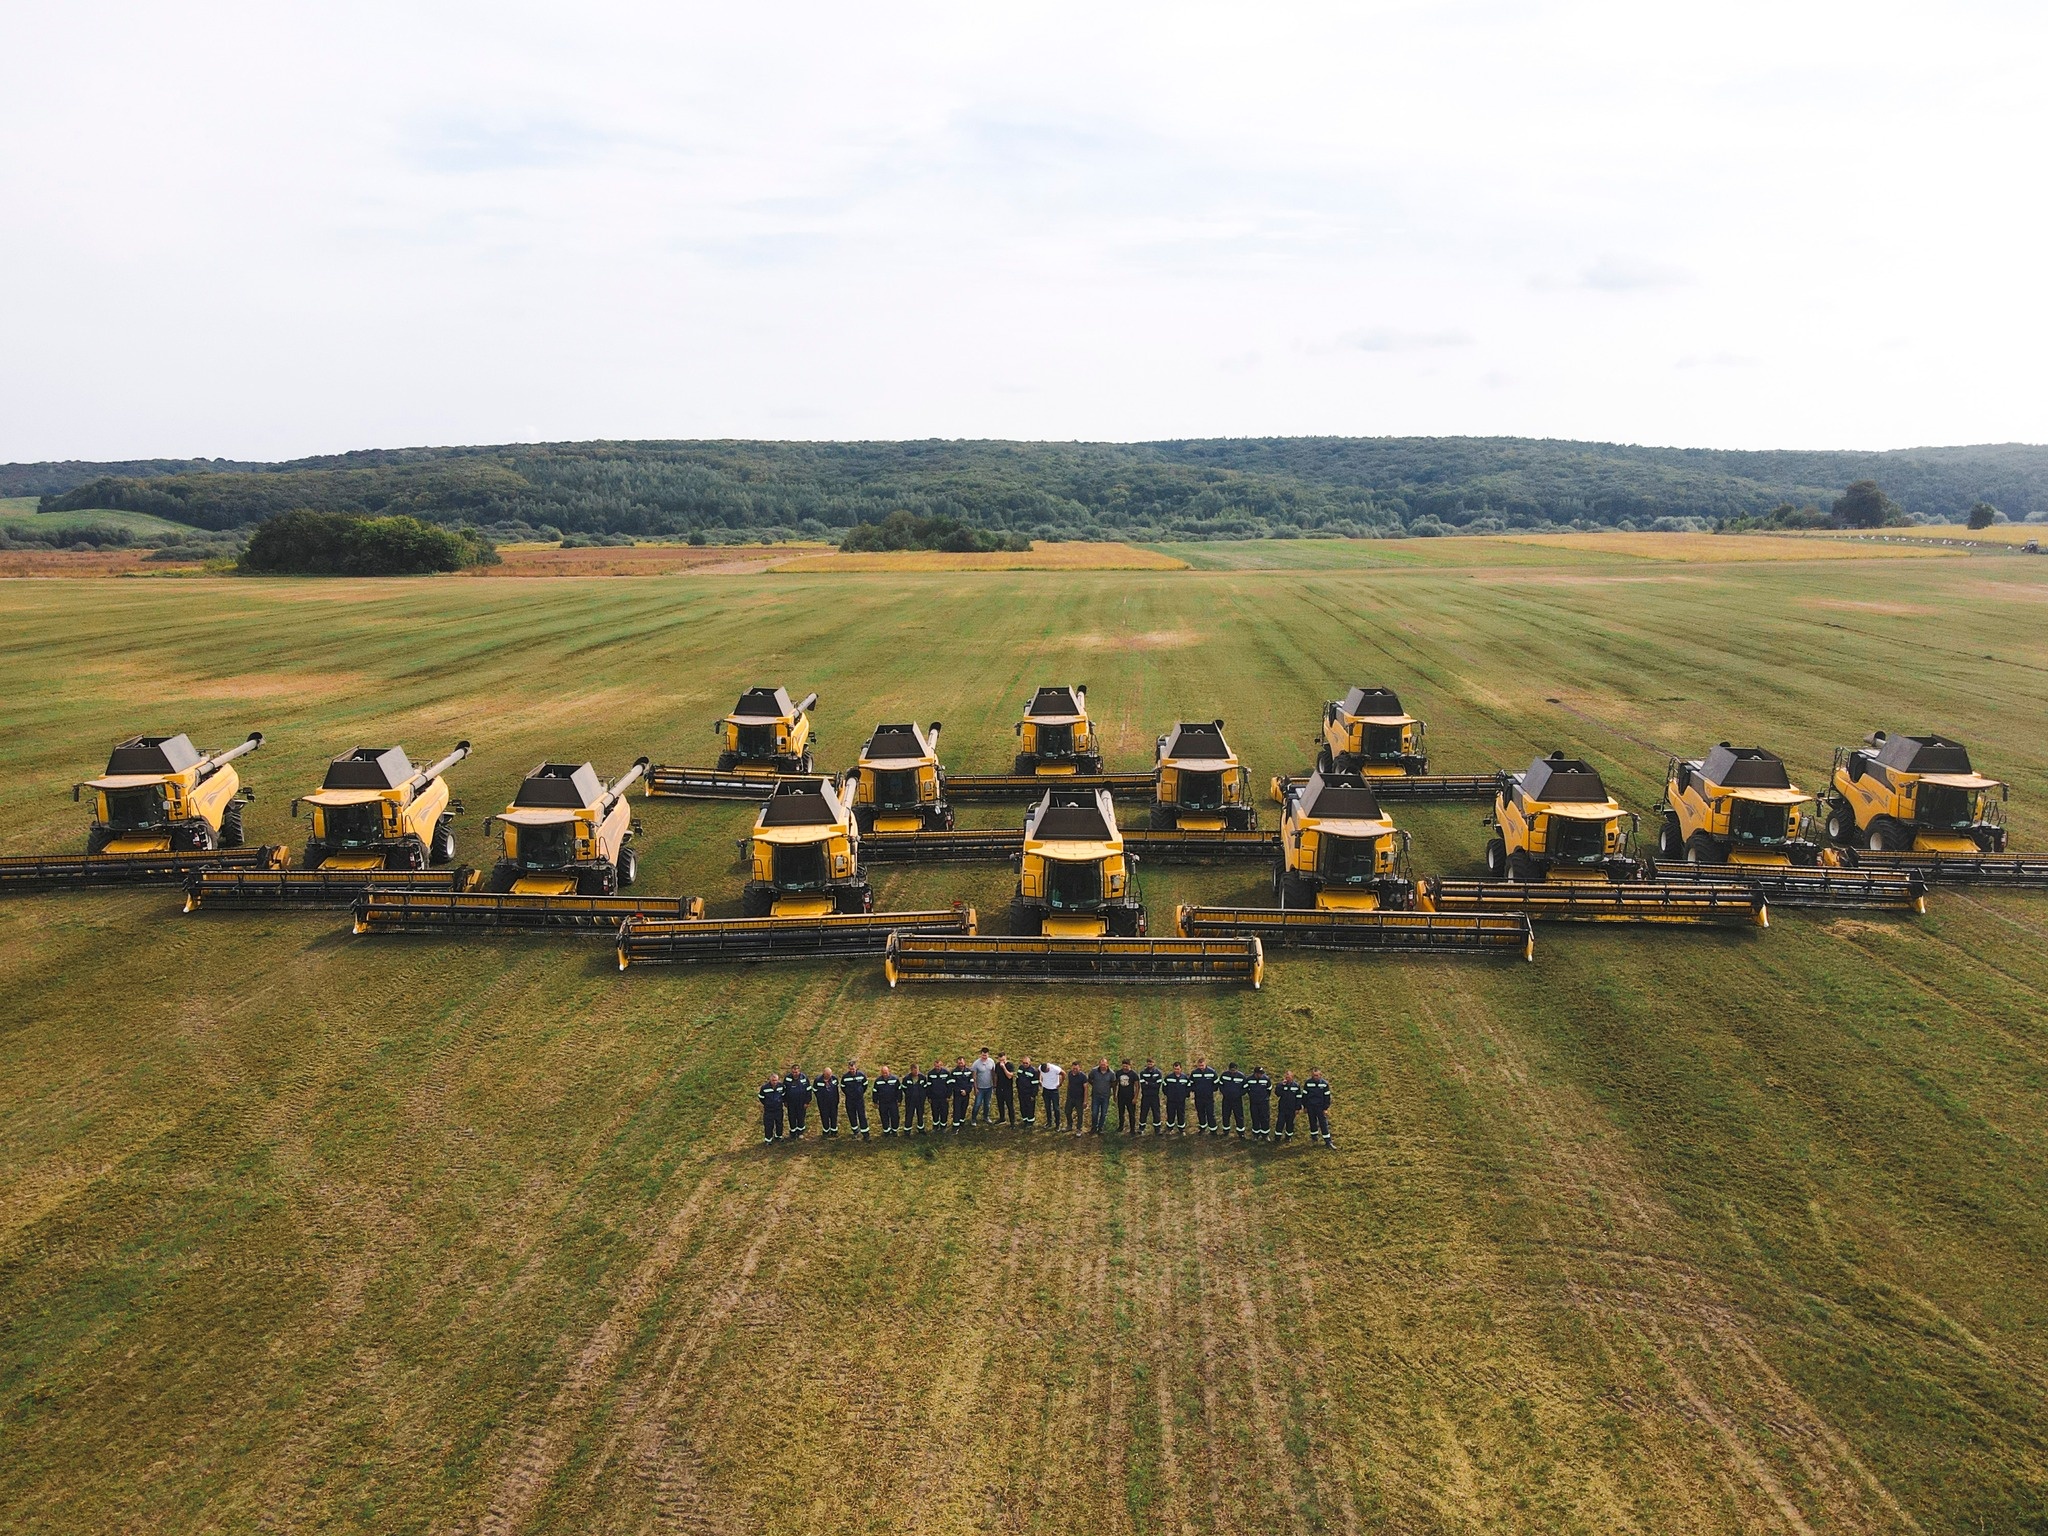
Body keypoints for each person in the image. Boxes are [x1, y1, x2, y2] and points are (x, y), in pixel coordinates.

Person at [1189, 1057, 1220, 1135]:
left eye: (1202, 1065)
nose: (1201, 1067)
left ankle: (1213, 1130)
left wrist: (1210, 1090)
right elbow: (1191, 1084)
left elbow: (1216, 1083)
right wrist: (1195, 1090)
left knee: (1210, 1114)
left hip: (1208, 1098)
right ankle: (1202, 1128)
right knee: (1200, 1113)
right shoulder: (1194, 1073)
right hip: (1198, 1098)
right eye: (1199, 1066)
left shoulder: (1212, 1072)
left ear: (1205, 1064)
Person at [1303, 1068, 1333, 1148]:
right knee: (1312, 1122)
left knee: (1323, 1124)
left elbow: (1327, 1097)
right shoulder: (1308, 1083)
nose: (1315, 1077)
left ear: (1320, 1075)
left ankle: (1328, 1141)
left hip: (1320, 1107)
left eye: (1317, 1075)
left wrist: (1325, 1108)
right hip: (1311, 1107)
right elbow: (1305, 1096)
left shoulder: (1324, 1084)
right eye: (1314, 1075)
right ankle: (1314, 1137)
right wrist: (1305, 1106)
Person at [1219, 1062, 1248, 1138]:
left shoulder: (1241, 1077)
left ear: (1237, 1069)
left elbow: (1245, 1088)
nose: (1233, 1072)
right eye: (1231, 1070)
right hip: (1226, 1100)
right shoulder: (1224, 1075)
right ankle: (1226, 1131)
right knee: (1225, 1115)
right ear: (1229, 1069)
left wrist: (1238, 1094)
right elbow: (1220, 1085)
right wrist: (1225, 1093)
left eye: (1234, 1070)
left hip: (1237, 1100)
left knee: (1239, 1116)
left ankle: (1241, 1133)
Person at [842, 1060, 870, 1140]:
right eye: (850, 1069)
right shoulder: (845, 1077)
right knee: (852, 1115)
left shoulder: (861, 1075)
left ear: (856, 1068)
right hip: (850, 1100)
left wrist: (860, 1092)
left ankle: (865, 1134)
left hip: (859, 1100)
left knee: (862, 1115)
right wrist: (849, 1094)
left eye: (853, 1069)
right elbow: (843, 1087)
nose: (852, 1071)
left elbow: (865, 1085)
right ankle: (855, 1131)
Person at [782, 1064, 811, 1139]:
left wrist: (807, 1102)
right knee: (791, 1117)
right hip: (791, 1102)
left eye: (796, 1072)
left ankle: (800, 1132)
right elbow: (783, 1090)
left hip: (801, 1102)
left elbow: (808, 1090)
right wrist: (784, 1101)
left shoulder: (804, 1078)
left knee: (801, 1117)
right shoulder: (787, 1078)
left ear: (799, 1071)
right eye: (793, 1072)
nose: (794, 1074)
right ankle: (793, 1133)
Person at [1163, 1062, 1191, 1134]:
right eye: (1175, 1069)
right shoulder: (1169, 1077)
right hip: (1171, 1100)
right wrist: (1168, 1094)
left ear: (1181, 1069)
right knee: (1170, 1114)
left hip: (1181, 1101)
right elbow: (1164, 1086)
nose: (1176, 1070)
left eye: (1178, 1069)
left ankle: (1181, 1129)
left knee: (1181, 1114)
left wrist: (1184, 1095)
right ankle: (1169, 1128)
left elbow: (1188, 1087)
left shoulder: (1185, 1078)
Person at [1246, 1066, 1272, 1142]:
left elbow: (1269, 1089)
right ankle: (1256, 1135)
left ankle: (1265, 1135)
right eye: (1259, 1073)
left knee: (1265, 1118)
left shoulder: (1266, 1079)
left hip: (1264, 1103)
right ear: (1255, 1073)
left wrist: (1265, 1098)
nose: (1260, 1075)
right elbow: (1247, 1090)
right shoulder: (1249, 1080)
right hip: (1254, 1103)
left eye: (1261, 1073)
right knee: (1255, 1118)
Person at [1089, 1059, 1114, 1136]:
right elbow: (1089, 1079)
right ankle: (1094, 1127)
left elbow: (1113, 1083)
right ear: (1099, 1064)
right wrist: (1095, 1085)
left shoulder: (1111, 1073)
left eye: (1104, 1064)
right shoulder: (1094, 1071)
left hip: (1105, 1096)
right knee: (1094, 1113)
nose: (1103, 1066)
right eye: (1101, 1064)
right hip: (1096, 1096)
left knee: (1103, 1113)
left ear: (1107, 1064)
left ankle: (1100, 1128)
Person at [1138, 1058, 1163, 1134]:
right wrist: (1152, 1084)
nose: (1150, 1065)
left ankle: (1157, 1129)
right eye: (1148, 1063)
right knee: (1143, 1112)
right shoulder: (1142, 1073)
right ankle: (1141, 1128)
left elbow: (1158, 1085)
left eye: (1151, 1063)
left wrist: (1148, 1083)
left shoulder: (1158, 1073)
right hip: (1146, 1096)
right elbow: (1143, 1085)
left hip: (1155, 1096)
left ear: (1154, 1063)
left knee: (1156, 1112)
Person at [875, 1065, 902, 1136]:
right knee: (884, 1116)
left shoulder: (895, 1079)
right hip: (882, 1102)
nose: (885, 1074)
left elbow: (899, 1090)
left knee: (895, 1116)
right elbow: (875, 1091)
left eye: (886, 1072)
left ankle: (894, 1130)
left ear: (889, 1071)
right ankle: (886, 1131)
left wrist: (899, 1100)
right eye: (883, 1073)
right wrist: (875, 1101)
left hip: (893, 1102)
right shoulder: (878, 1081)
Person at [1275, 1071, 1302, 1142]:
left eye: (1289, 1077)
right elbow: (1277, 1093)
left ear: (1292, 1077)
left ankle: (1288, 1137)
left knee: (1290, 1123)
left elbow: (1299, 1097)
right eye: (1286, 1077)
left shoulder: (1296, 1086)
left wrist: (1298, 1108)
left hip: (1292, 1109)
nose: (1287, 1079)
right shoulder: (1282, 1085)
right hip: (1283, 1108)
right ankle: (1277, 1137)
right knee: (1280, 1123)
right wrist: (1281, 1085)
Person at [1114, 1058, 1138, 1134]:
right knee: (1121, 1113)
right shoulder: (1118, 1073)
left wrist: (1135, 1098)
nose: (1125, 1068)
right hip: (1121, 1096)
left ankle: (1132, 1129)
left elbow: (1137, 1086)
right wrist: (1114, 1095)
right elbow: (1115, 1084)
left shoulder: (1133, 1074)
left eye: (1126, 1066)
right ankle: (1121, 1127)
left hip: (1130, 1097)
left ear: (1130, 1065)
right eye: (1123, 1066)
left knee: (1131, 1114)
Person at [814, 1067, 841, 1137]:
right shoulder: (818, 1080)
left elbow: (836, 1089)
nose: (829, 1076)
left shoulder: (834, 1079)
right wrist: (820, 1098)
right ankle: (826, 1131)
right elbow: (815, 1090)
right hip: (823, 1103)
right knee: (824, 1116)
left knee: (833, 1116)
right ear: (824, 1074)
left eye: (830, 1074)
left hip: (833, 1102)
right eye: (828, 1075)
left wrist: (837, 1100)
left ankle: (834, 1131)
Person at [972, 1049, 996, 1125]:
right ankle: (973, 1119)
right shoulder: (976, 1063)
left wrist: (994, 1084)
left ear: (988, 1054)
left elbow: (993, 1074)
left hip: (989, 1087)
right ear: (981, 1054)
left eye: (985, 1055)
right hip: (980, 1088)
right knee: (977, 1104)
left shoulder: (991, 1062)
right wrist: (975, 1088)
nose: (984, 1057)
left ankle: (986, 1117)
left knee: (987, 1104)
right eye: (983, 1055)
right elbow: (974, 1077)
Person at [759, 1072, 785, 1143]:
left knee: (779, 1123)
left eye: (776, 1080)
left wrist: (780, 1102)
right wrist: (767, 1104)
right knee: (768, 1125)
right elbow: (761, 1097)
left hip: (778, 1109)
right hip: (769, 1110)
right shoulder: (764, 1088)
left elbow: (783, 1095)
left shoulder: (781, 1086)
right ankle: (768, 1139)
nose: (774, 1082)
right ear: (770, 1080)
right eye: (773, 1080)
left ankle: (778, 1136)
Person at [1041, 1059, 1065, 1132]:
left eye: (1047, 1071)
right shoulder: (1040, 1068)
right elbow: (1039, 1072)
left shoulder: (1055, 1069)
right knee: (1047, 1106)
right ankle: (1049, 1122)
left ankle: (1058, 1124)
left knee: (1056, 1108)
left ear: (1048, 1068)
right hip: (1045, 1090)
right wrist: (1040, 1079)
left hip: (1054, 1091)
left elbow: (1063, 1073)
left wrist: (1060, 1083)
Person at [928, 1058, 952, 1132]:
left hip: (944, 1097)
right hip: (934, 1098)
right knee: (935, 1112)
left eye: (938, 1066)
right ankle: (935, 1126)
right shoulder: (930, 1074)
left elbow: (949, 1086)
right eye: (936, 1066)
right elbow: (929, 1087)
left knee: (944, 1112)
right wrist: (929, 1097)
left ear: (941, 1065)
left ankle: (943, 1126)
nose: (937, 1068)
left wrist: (948, 1096)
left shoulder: (946, 1073)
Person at [1016, 1055, 1039, 1127]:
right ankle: (1025, 1119)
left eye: (1026, 1063)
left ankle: (1030, 1121)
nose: (1025, 1064)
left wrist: (1033, 1095)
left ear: (1030, 1063)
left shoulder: (1033, 1071)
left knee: (1030, 1107)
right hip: (1021, 1092)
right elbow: (1018, 1079)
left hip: (1029, 1093)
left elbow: (1035, 1085)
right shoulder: (1020, 1068)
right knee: (1022, 1107)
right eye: (1024, 1063)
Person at [903, 1065, 928, 1133]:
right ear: (911, 1070)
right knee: (909, 1115)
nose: (916, 1072)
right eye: (914, 1070)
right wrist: (909, 1095)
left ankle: (921, 1129)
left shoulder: (923, 1077)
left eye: (917, 1070)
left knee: (920, 1114)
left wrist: (923, 1096)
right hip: (910, 1101)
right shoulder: (906, 1078)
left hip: (920, 1100)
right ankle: (907, 1130)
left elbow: (925, 1088)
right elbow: (904, 1088)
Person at [994, 1053, 1016, 1124]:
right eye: (1000, 1060)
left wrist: (1004, 1068)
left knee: (1009, 1105)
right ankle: (1002, 1118)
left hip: (1007, 1089)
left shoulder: (1010, 1065)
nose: (1002, 1061)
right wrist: (995, 1085)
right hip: (999, 1088)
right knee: (1000, 1104)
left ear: (1006, 1057)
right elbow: (996, 1075)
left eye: (1003, 1060)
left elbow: (1010, 1076)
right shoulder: (997, 1065)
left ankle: (1012, 1121)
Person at [1065, 1061, 1087, 1133]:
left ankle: (1079, 1129)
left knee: (1079, 1114)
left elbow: (1085, 1089)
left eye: (1076, 1069)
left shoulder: (1083, 1076)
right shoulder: (1070, 1074)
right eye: (1073, 1068)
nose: (1074, 1070)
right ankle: (1069, 1125)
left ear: (1080, 1068)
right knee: (1067, 1111)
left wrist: (1085, 1101)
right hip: (1070, 1097)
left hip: (1079, 1099)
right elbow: (1069, 1084)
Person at [951, 1055, 972, 1130]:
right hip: (957, 1095)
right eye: (959, 1063)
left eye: (962, 1062)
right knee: (957, 1110)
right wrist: (960, 1091)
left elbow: (971, 1083)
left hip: (966, 1094)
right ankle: (955, 1127)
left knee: (964, 1109)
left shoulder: (969, 1071)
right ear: (957, 1063)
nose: (960, 1064)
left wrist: (966, 1091)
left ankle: (961, 1124)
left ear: (964, 1062)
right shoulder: (954, 1072)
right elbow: (953, 1084)